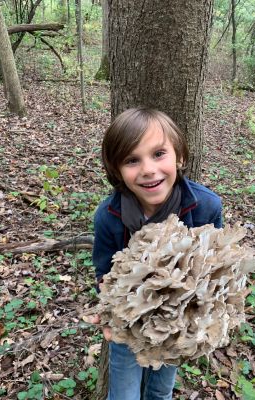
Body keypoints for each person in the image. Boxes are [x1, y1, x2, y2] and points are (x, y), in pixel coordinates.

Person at [91, 107, 222, 400]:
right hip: (130, 324)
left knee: (161, 392)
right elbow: (103, 272)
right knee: (123, 395)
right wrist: (110, 312)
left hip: (177, 328)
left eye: (159, 153)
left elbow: (218, 267)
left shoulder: (205, 207)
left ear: (180, 156)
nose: (148, 169)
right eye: (132, 160)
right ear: (116, 171)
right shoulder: (108, 216)